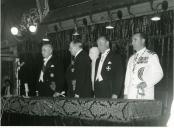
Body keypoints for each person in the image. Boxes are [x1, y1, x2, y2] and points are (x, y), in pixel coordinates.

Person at [124, 32, 163, 99]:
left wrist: (146, 83)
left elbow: (159, 74)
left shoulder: (151, 55)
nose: (132, 43)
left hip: (144, 94)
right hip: (131, 95)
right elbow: (128, 77)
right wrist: (126, 93)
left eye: (135, 40)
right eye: (132, 40)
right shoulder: (131, 58)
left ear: (143, 40)